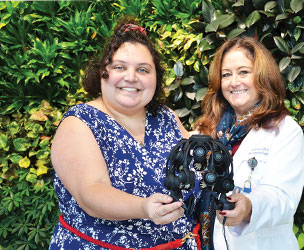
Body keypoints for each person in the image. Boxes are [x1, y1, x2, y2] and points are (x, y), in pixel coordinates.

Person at [49, 18, 201, 250]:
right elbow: (92, 192)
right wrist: (143, 207)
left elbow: (194, 165)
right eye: (120, 67)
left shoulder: (165, 116)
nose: (131, 77)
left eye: (143, 69)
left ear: (156, 78)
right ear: (102, 73)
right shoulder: (79, 122)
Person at [194, 36, 304, 249]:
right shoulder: (208, 130)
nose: (234, 82)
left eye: (243, 72)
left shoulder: (285, 130)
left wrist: (249, 206)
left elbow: (282, 198)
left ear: (262, 76)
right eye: (226, 74)